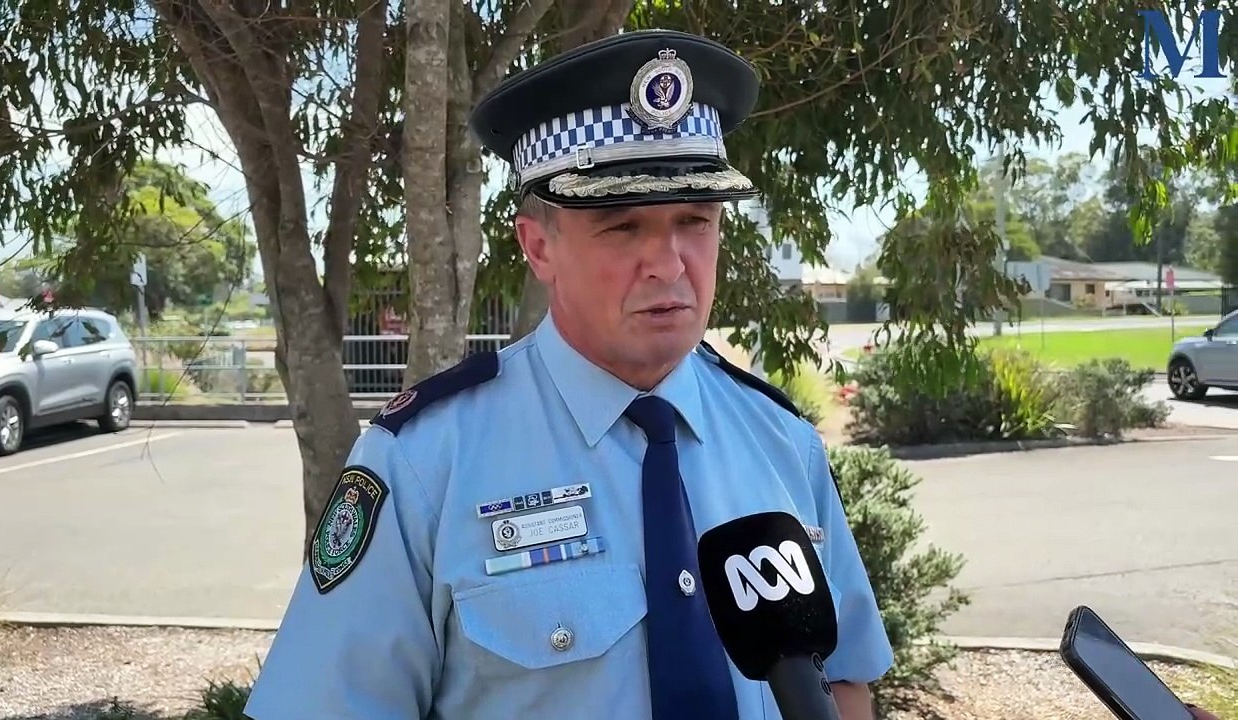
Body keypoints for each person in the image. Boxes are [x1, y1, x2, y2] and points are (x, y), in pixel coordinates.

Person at [242, 29, 893, 720]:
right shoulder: (424, 464)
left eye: (695, 220)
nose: (670, 263)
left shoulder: (782, 441)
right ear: (538, 245)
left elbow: (847, 680)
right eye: (623, 228)